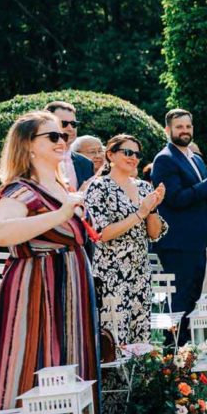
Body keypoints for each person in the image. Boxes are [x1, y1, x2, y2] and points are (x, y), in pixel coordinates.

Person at [0, 110, 100, 414]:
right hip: (38, 289)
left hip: (71, 284)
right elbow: (1, 234)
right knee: (38, 360)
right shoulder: (19, 189)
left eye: (62, 134)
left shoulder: (61, 184)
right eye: (51, 136)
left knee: (70, 359)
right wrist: (61, 213)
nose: (62, 140)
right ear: (29, 147)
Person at [150, 109, 207, 343]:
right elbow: (176, 199)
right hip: (178, 243)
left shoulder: (196, 159)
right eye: (179, 127)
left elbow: (206, 196)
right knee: (179, 302)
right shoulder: (164, 159)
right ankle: (174, 355)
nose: (185, 131)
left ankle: (186, 352)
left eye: (188, 126)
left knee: (193, 298)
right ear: (168, 130)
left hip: (198, 241)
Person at [85, 135, 167, 345]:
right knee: (114, 336)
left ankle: (139, 378)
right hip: (112, 272)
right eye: (127, 152)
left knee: (140, 334)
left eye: (137, 154)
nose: (133, 158)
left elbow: (154, 234)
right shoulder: (98, 187)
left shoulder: (144, 187)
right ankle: (113, 379)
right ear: (110, 155)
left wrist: (153, 208)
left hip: (140, 271)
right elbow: (101, 233)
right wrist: (140, 212)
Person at [44, 100, 94, 191]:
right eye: (64, 123)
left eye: (74, 124)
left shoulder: (86, 163)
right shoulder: (38, 160)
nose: (70, 129)